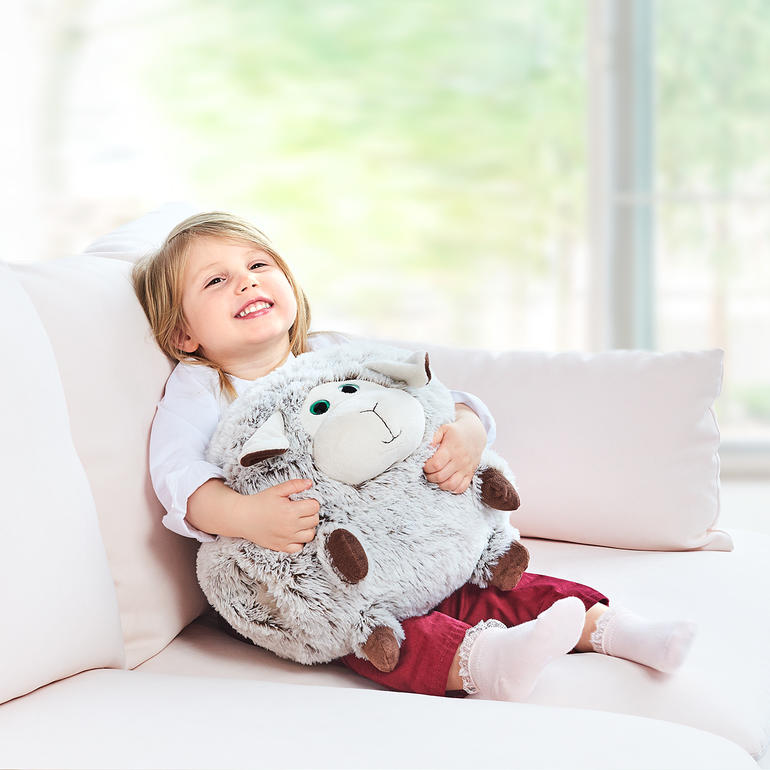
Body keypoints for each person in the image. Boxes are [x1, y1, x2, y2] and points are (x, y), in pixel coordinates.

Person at [132, 211, 697, 701]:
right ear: (184, 333)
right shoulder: (202, 387)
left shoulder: (332, 353)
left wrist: (468, 432)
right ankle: (484, 666)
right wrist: (245, 515)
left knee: (498, 583)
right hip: (327, 580)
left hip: (406, 544)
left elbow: (430, 398)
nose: (246, 284)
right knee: (383, 636)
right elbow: (177, 475)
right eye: (216, 281)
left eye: (259, 266)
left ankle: (614, 629)